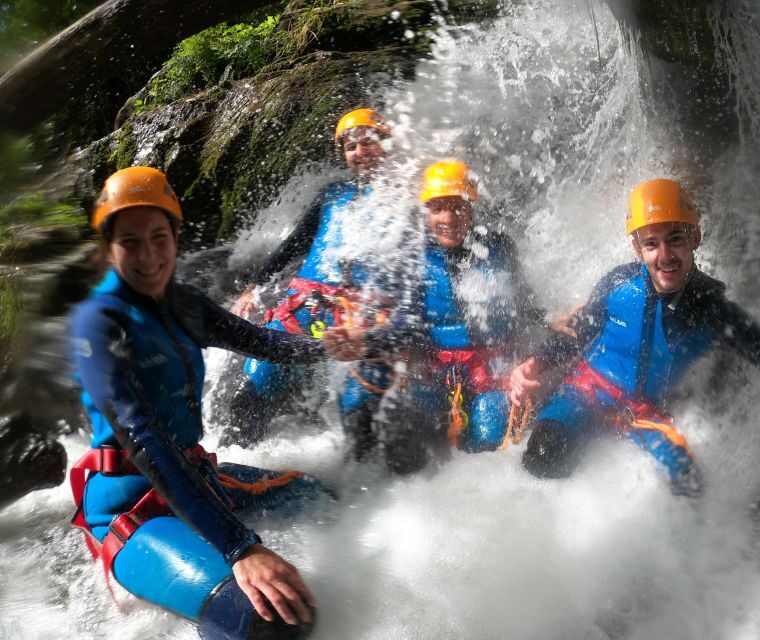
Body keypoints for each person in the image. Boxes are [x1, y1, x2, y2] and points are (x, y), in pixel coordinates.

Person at [68, 167, 327, 640]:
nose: (149, 256)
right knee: (272, 618)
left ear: (176, 237)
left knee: (321, 495)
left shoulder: (185, 305)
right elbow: (145, 440)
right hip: (130, 507)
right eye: (130, 242)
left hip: (195, 477)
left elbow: (269, 345)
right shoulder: (97, 325)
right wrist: (241, 548)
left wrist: (339, 346)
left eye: (159, 238)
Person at [510, 178, 760, 495]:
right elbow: (577, 333)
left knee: (689, 487)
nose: (665, 256)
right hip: (585, 393)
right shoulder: (618, 284)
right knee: (544, 455)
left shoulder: (712, 311)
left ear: (694, 237)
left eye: (675, 240)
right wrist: (535, 363)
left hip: (642, 416)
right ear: (638, 249)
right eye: (651, 244)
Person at [324, 159, 545, 473]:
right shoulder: (416, 256)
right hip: (435, 375)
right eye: (438, 209)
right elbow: (407, 326)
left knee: (486, 447)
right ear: (426, 212)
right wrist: (366, 341)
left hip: (491, 376)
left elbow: (522, 304)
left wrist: (548, 321)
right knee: (401, 443)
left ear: (471, 208)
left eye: (457, 207)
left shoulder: (498, 247)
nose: (448, 218)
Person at [223, 108, 394, 450]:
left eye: (367, 142)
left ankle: (356, 476)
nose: (360, 151)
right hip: (305, 308)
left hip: (360, 318)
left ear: (386, 144)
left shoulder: (406, 196)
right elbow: (294, 245)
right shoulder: (332, 195)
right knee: (252, 392)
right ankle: (233, 462)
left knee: (359, 412)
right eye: (351, 147)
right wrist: (253, 288)